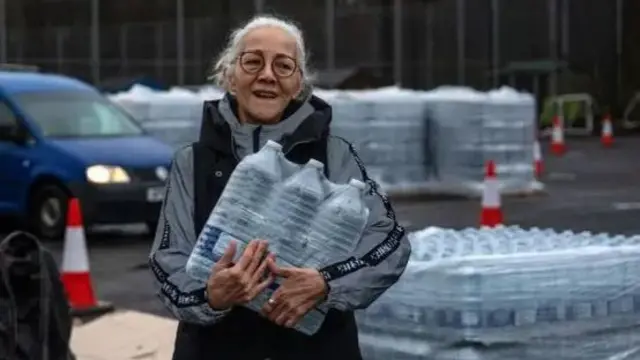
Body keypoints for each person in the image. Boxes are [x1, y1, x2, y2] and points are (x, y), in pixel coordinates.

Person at [148, 14, 411, 360]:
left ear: (298, 84)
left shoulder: (335, 155)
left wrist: (325, 283)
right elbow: (167, 262)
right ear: (229, 76)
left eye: (283, 66)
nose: (268, 75)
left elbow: (390, 243)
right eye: (253, 61)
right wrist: (211, 294)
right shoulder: (192, 163)